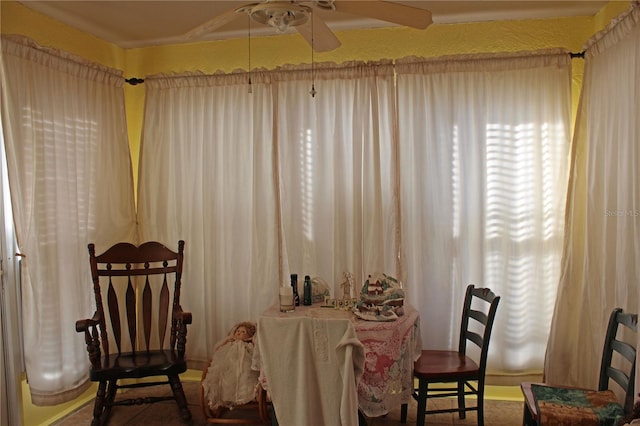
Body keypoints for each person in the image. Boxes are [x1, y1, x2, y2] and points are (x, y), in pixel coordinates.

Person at [202, 321, 259, 411]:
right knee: (224, 378)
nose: (239, 333)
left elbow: (256, 354)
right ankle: (225, 397)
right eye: (238, 331)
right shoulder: (231, 342)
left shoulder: (248, 345)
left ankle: (242, 397)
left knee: (245, 379)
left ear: (249, 335)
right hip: (229, 365)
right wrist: (227, 340)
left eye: (243, 332)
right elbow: (217, 350)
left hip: (244, 366)